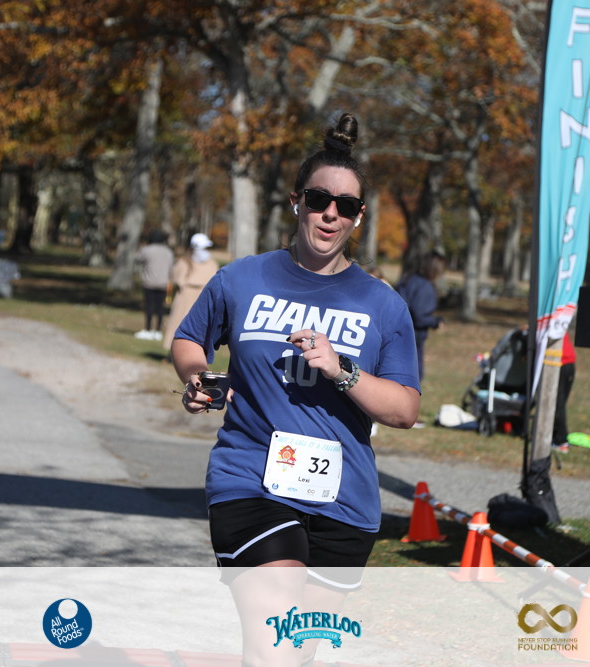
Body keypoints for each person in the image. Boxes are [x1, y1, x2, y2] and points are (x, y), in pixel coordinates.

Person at [171, 113, 420, 667]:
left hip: (344, 497)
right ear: (296, 202)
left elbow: (405, 409)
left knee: (299, 652)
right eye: (318, 199)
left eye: (346, 206)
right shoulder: (242, 279)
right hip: (251, 479)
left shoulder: (383, 304)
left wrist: (342, 370)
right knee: (273, 643)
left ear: (358, 217)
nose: (330, 214)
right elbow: (189, 339)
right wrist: (196, 376)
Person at [395, 250, 445, 426]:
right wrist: (436, 321)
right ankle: (406, 413)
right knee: (414, 377)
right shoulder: (425, 287)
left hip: (397, 333)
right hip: (412, 337)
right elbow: (420, 316)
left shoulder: (407, 279)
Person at [161, 232, 219, 352]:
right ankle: (173, 350)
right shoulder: (185, 261)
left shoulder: (210, 263)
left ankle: (195, 351)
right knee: (178, 322)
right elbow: (176, 276)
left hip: (202, 296)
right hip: (186, 296)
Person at [133, 229, 174, 341]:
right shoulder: (168, 252)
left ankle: (147, 329)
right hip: (163, 283)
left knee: (149, 306)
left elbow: (137, 259)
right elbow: (171, 266)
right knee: (160, 308)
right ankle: (158, 331)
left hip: (149, 282)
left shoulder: (146, 250)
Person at [550, 332, 576, 453]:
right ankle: (555, 436)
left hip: (559, 364)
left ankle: (561, 440)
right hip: (569, 362)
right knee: (559, 403)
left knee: (557, 404)